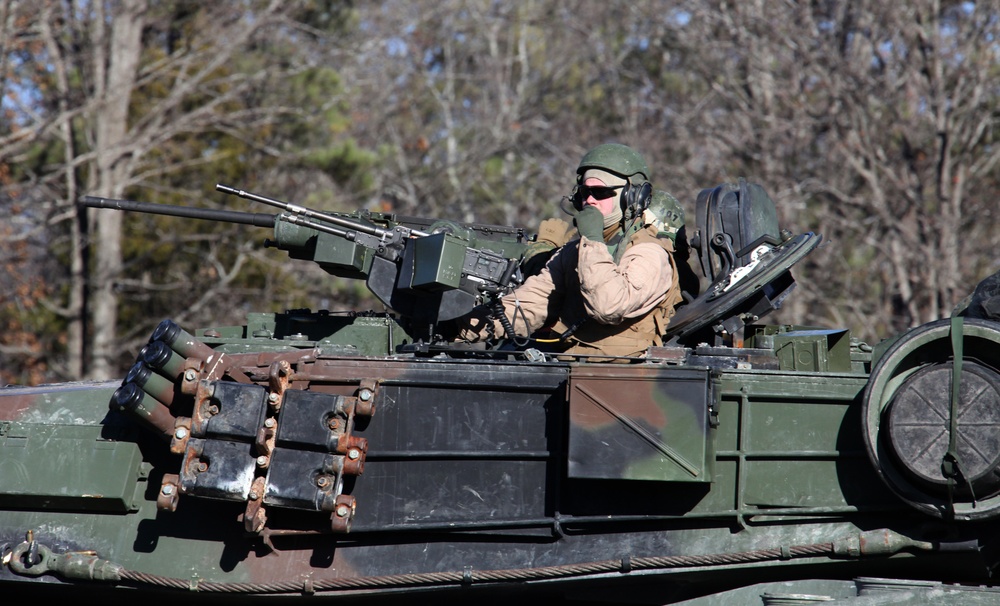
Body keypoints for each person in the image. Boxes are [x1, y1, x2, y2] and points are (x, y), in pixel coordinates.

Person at [460, 143, 683, 358]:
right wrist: (458, 327)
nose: (589, 200)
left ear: (633, 196)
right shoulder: (575, 251)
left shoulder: (650, 252)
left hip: (622, 382)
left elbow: (608, 306)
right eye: (584, 193)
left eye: (601, 192)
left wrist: (592, 239)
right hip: (573, 371)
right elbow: (529, 306)